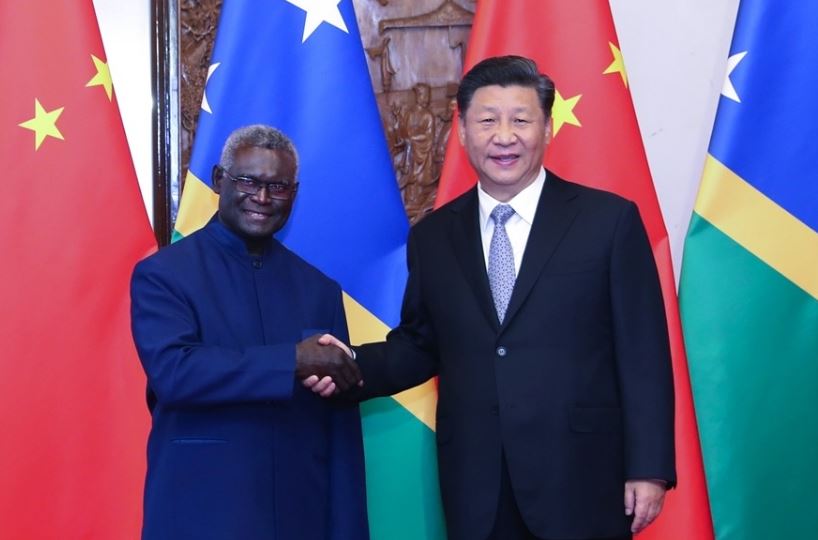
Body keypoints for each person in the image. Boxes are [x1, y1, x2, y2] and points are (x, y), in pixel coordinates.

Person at [310, 56, 676, 540]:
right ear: (462, 132)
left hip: (582, 476)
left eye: (521, 120)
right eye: (487, 120)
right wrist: (348, 365)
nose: (504, 136)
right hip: (478, 482)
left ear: (547, 129)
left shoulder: (608, 222)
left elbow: (644, 353)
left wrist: (648, 467)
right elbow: (421, 345)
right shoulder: (435, 236)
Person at [130, 125, 368, 540]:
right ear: (220, 181)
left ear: (294, 194)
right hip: (200, 515)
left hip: (301, 517)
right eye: (248, 181)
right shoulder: (163, 275)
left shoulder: (319, 289)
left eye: (277, 186)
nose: (262, 198)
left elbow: (340, 431)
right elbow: (175, 373)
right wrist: (293, 360)